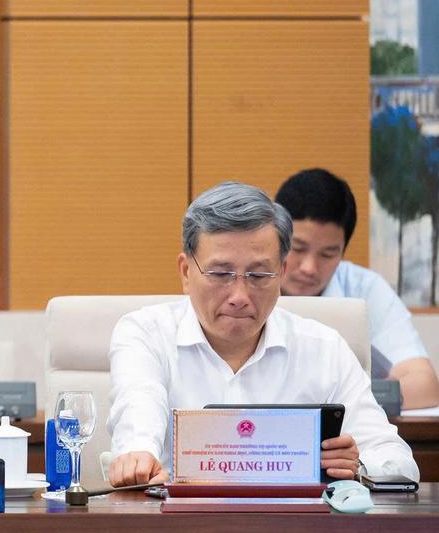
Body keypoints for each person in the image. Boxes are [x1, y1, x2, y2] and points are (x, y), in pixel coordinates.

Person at [107, 182, 417, 487]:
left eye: (258, 275)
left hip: (292, 520)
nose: (239, 296)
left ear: (281, 273)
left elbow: (399, 463)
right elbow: (139, 413)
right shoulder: (146, 335)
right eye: (220, 274)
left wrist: (356, 466)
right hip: (177, 518)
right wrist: (139, 457)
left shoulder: (324, 348)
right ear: (186, 272)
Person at [274, 167, 439, 409]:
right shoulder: (245, 284)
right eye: (297, 248)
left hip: (347, 428)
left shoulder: (364, 288)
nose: (309, 267)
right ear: (275, 240)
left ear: (343, 251)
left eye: (328, 254)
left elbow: (424, 385)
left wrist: (336, 405)